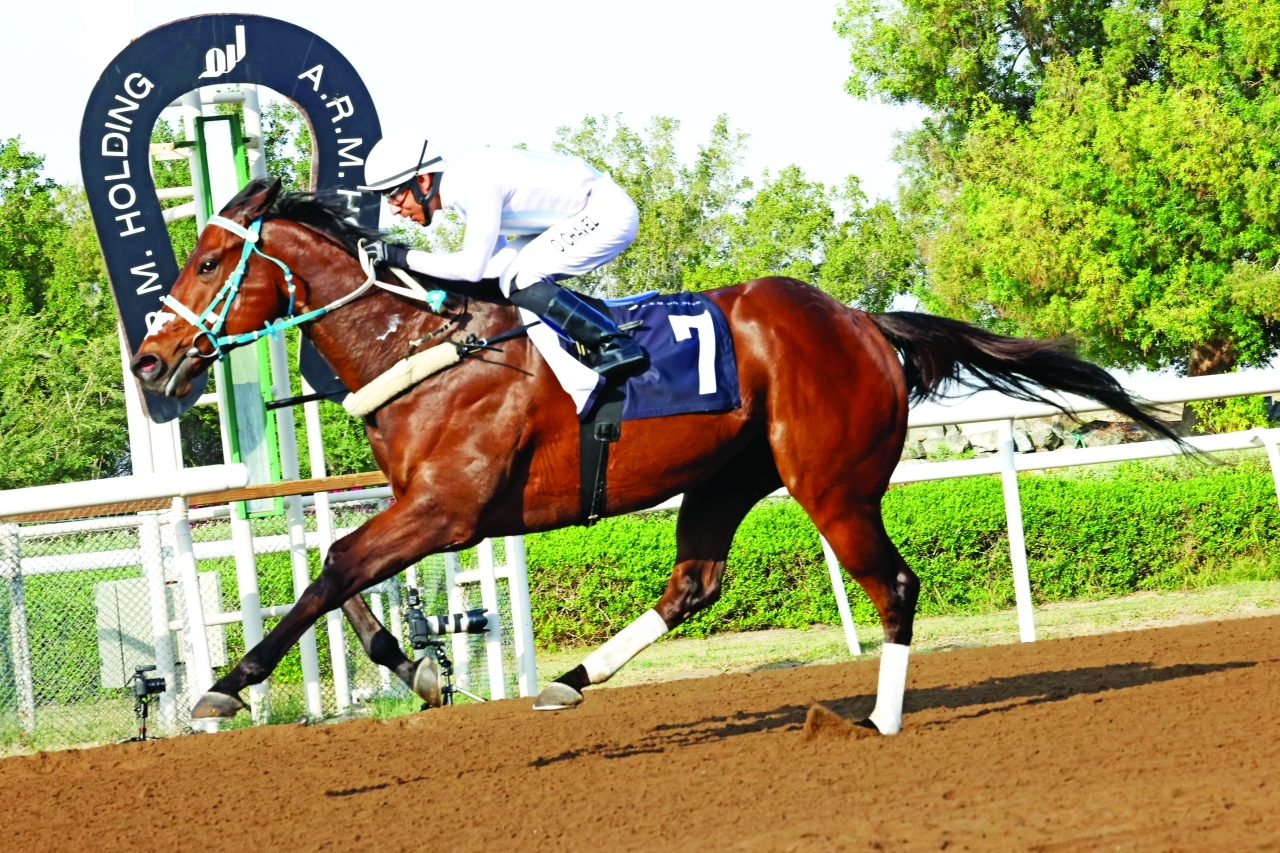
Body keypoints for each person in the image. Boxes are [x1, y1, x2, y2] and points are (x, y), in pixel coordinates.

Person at [358, 135, 647, 377]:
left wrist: (399, 256)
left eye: (394, 196)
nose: (394, 209)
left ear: (422, 180)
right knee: (504, 277)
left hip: (606, 212)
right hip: (577, 215)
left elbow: (470, 268)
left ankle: (614, 344)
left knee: (519, 278)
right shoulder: (461, 190)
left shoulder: (473, 181)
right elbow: (487, 269)